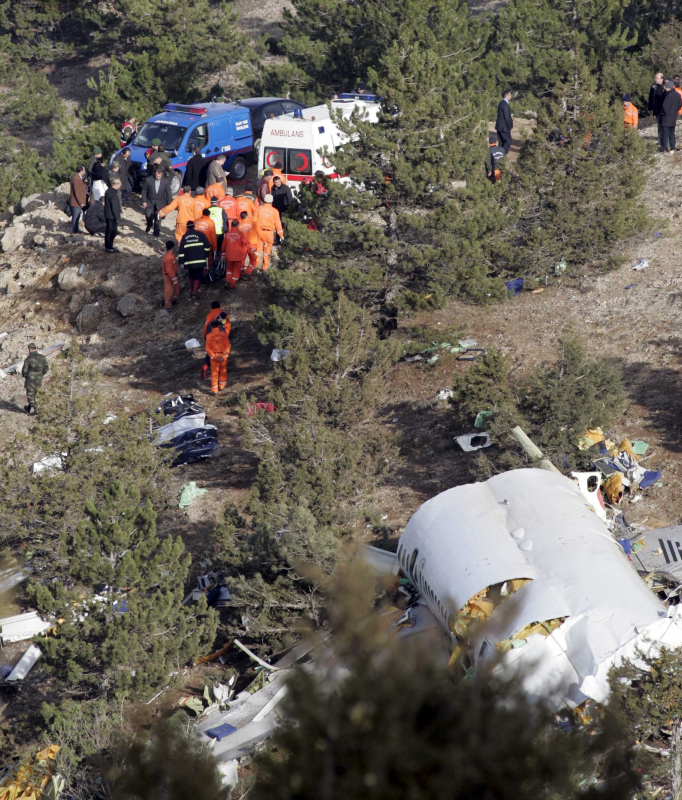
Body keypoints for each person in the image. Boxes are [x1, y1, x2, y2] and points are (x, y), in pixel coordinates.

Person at [178, 220, 211, 297]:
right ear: (194, 226)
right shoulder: (200, 234)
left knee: (191, 274)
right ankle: (195, 291)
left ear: (187, 227)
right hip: (200, 260)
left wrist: (181, 261)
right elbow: (207, 245)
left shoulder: (184, 237)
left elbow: (181, 250)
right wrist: (205, 254)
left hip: (189, 261)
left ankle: (191, 289)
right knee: (199, 274)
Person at [254, 194, 283, 271]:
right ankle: (264, 269)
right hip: (269, 233)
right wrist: (281, 235)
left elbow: (254, 221)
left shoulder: (258, 209)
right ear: (271, 201)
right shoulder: (275, 211)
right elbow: (278, 224)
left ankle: (254, 268)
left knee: (257, 252)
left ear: (264, 200)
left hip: (259, 232)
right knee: (267, 252)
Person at [142, 166, 172, 236]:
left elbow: (168, 193)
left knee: (158, 218)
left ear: (161, 174)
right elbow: (144, 191)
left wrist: (169, 204)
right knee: (148, 215)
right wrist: (144, 201)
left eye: (159, 176)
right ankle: (149, 224)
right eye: (156, 176)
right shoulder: (148, 180)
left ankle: (156, 233)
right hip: (150, 201)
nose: (157, 177)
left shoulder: (166, 181)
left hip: (160, 203)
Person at [205, 313, 231, 394]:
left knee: (214, 373)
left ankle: (215, 389)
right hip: (223, 355)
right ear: (218, 326)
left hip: (214, 356)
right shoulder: (223, 334)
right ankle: (222, 385)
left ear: (212, 326)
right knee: (223, 371)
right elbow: (228, 345)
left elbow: (207, 348)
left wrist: (213, 356)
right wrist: (225, 355)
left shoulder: (209, 336)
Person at [22, 343, 48, 415]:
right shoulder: (42, 357)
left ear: (30, 349)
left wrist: (26, 376)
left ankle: (36, 410)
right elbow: (46, 368)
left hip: (30, 380)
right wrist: (40, 374)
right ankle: (28, 408)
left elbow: (24, 371)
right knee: (34, 393)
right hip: (39, 379)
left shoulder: (28, 359)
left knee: (30, 395)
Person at [223, 219, 250, 287]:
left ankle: (227, 280)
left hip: (229, 255)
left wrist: (223, 253)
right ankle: (232, 284)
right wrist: (243, 253)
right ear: (238, 226)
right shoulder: (240, 234)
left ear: (231, 225)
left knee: (229, 268)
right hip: (238, 255)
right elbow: (245, 244)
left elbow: (223, 245)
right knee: (236, 269)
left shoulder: (227, 234)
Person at [661, 80, 681, 153]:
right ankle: (672, 147)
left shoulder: (668, 95)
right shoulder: (677, 94)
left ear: (667, 87)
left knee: (665, 134)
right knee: (672, 133)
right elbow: (679, 105)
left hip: (666, 117)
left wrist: (662, 113)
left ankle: (664, 148)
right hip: (674, 116)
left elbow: (664, 107)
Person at [648, 73, 666, 151]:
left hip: (664, 111)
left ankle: (666, 144)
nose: (655, 80)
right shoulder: (653, 86)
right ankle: (661, 143)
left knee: (665, 128)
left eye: (657, 78)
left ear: (661, 79)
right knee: (659, 127)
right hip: (657, 110)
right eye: (655, 78)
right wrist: (650, 108)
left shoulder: (665, 86)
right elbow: (651, 98)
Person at [238, 211, 260, 275]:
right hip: (253, 244)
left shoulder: (239, 226)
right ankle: (248, 272)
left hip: (243, 245)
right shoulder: (253, 223)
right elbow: (260, 233)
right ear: (247, 216)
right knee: (253, 260)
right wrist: (264, 240)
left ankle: (240, 274)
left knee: (241, 261)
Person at [104, 178, 122, 252]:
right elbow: (114, 207)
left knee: (108, 231)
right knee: (112, 232)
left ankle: (107, 246)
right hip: (112, 216)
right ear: (117, 184)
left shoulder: (108, 191)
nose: (120, 186)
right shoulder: (113, 194)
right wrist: (117, 217)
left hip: (107, 214)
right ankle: (109, 247)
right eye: (120, 184)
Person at [68, 166, 87, 234]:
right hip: (76, 203)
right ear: (81, 171)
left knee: (76, 217)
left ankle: (76, 230)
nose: (85, 172)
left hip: (74, 202)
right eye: (84, 170)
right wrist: (81, 202)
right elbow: (78, 192)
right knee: (75, 217)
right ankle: (74, 231)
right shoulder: (77, 179)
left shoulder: (75, 177)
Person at [162, 240, 180, 309]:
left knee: (175, 288)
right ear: (172, 247)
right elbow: (169, 270)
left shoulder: (171, 255)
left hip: (172, 275)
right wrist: (174, 279)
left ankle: (173, 300)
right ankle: (168, 305)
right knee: (169, 290)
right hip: (169, 276)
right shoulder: (168, 258)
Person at [495, 90, 513, 155]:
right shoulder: (505, 105)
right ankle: (503, 157)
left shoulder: (500, 103)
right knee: (508, 141)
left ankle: (498, 157)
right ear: (507, 94)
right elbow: (507, 117)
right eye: (510, 95)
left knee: (501, 142)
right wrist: (510, 126)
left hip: (499, 126)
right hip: (504, 127)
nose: (511, 96)